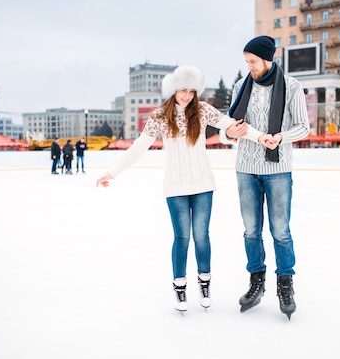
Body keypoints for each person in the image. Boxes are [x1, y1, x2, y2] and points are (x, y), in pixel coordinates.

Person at [97, 65, 268, 313]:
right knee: (182, 238)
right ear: (173, 90)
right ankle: (179, 287)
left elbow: (232, 125)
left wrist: (261, 137)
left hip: (202, 184)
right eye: (182, 90)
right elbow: (139, 147)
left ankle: (204, 283)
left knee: (201, 236)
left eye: (190, 90)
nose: (186, 95)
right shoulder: (159, 116)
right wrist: (112, 172)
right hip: (175, 186)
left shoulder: (202, 110)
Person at [224, 35, 310, 320]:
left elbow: (303, 127)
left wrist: (281, 137)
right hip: (246, 168)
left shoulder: (292, 87)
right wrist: (228, 132)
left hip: (277, 169)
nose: (248, 66)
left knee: (280, 231)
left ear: (266, 59)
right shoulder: (240, 86)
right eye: (246, 61)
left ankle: (285, 285)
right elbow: (229, 125)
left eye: (252, 61)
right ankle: (256, 282)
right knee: (251, 230)